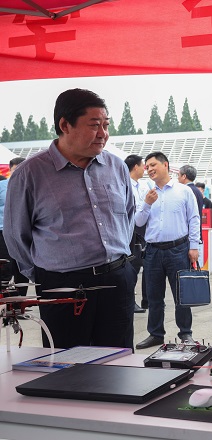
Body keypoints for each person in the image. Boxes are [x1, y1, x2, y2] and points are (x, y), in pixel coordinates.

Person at [4, 88, 137, 349]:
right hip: (63, 287)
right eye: (94, 125)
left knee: (120, 360)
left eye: (106, 125)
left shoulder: (116, 167)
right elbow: (16, 236)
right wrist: (47, 276)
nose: (103, 134)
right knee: (67, 363)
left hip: (117, 280)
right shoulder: (30, 174)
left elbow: (129, 217)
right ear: (65, 125)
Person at [135, 151, 200, 349]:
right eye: (147, 166)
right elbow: (138, 222)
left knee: (182, 295)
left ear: (165, 165)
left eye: (153, 165)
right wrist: (147, 204)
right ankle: (156, 334)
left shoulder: (183, 191)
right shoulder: (146, 193)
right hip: (153, 251)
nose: (149, 169)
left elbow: (194, 219)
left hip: (178, 249)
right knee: (154, 297)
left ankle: (185, 333)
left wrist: (194, 246)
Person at [0, 157, 29, 296]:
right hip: (3, 231)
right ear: (10, 170)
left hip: (25, 231)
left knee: (23, 266)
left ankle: (20, 300)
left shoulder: (31, 185)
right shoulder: (2, 186)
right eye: (15, 170)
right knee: (6, 266)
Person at [124, 154, 148, 313]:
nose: (145, 168)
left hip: (142, 231)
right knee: (131, 267)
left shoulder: (143, 186)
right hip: (130, 231)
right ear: (135, 167)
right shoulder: (125, 185)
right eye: (143, 165)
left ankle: (144, 300)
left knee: (140, 266)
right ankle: (129, 301)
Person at [178, 164, 204, 239]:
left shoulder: (186, 191)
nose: (178, 178)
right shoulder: (197, 191)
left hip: (188, 235)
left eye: (178, 175)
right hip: (196, 232)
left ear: (184, 176)